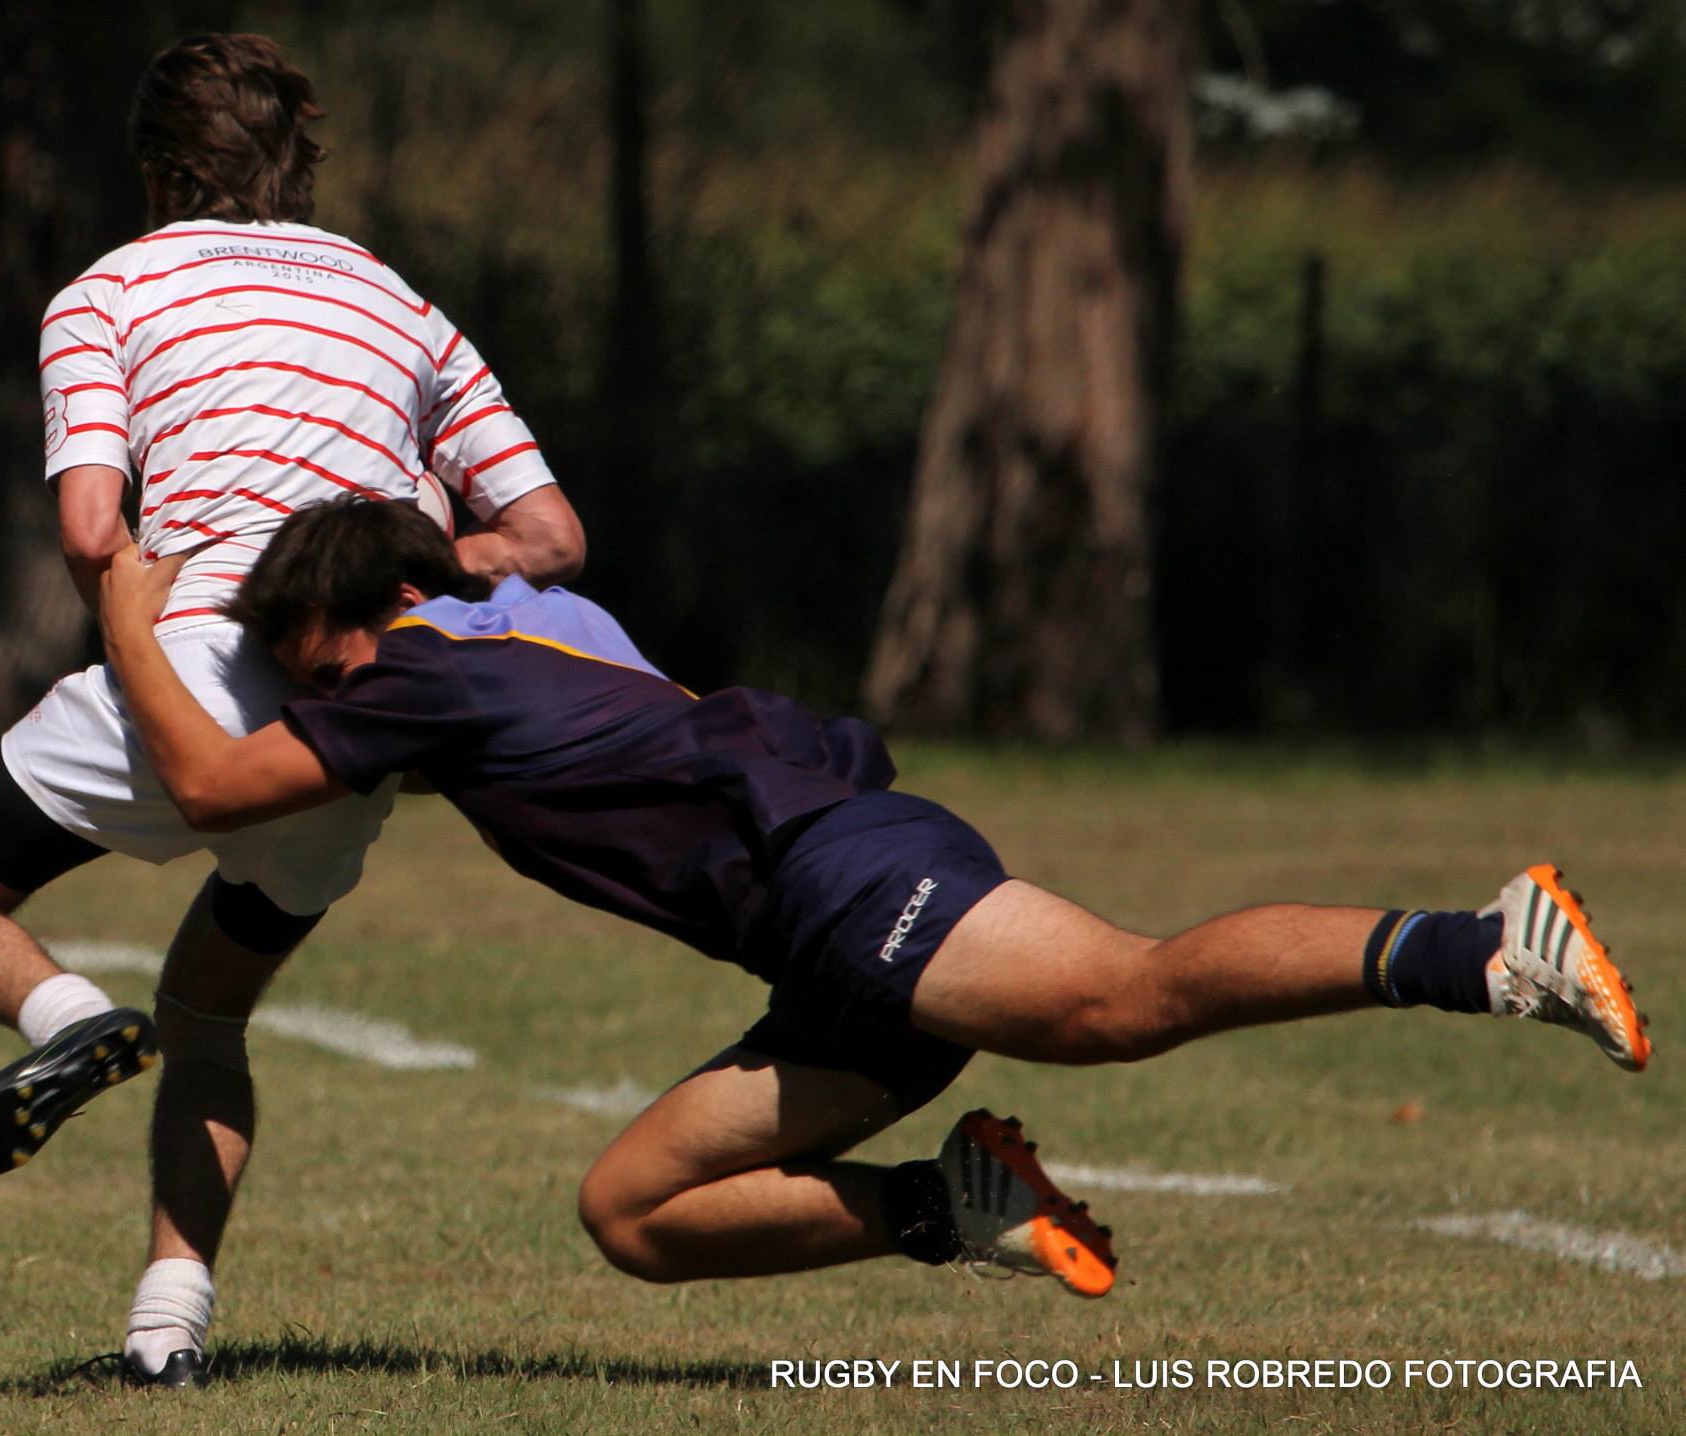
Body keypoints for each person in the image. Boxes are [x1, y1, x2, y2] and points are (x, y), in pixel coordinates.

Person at [92, 498, 1651, 1375]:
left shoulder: (419, 670)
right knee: (633, 1211)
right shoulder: (539, 630)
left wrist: (122, 619)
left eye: (311, 671)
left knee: (1123, 999)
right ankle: (952, 1205)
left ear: (363, 629)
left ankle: (1486, 946)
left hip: (846, 880)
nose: (317, 711)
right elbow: (530, 559)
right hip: (822, 938)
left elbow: (217, 784)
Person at [0, 34, 584, 1388]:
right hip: (353, 715)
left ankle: (68, 1020)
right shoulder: (401, 300)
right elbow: (546, 534)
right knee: (208, 1019)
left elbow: (92, 528)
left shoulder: (107, 292)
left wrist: (148, 634)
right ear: (296, 161)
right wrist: (402, 568)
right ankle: (164, 1335)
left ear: (153, 166)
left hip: (185, 666)